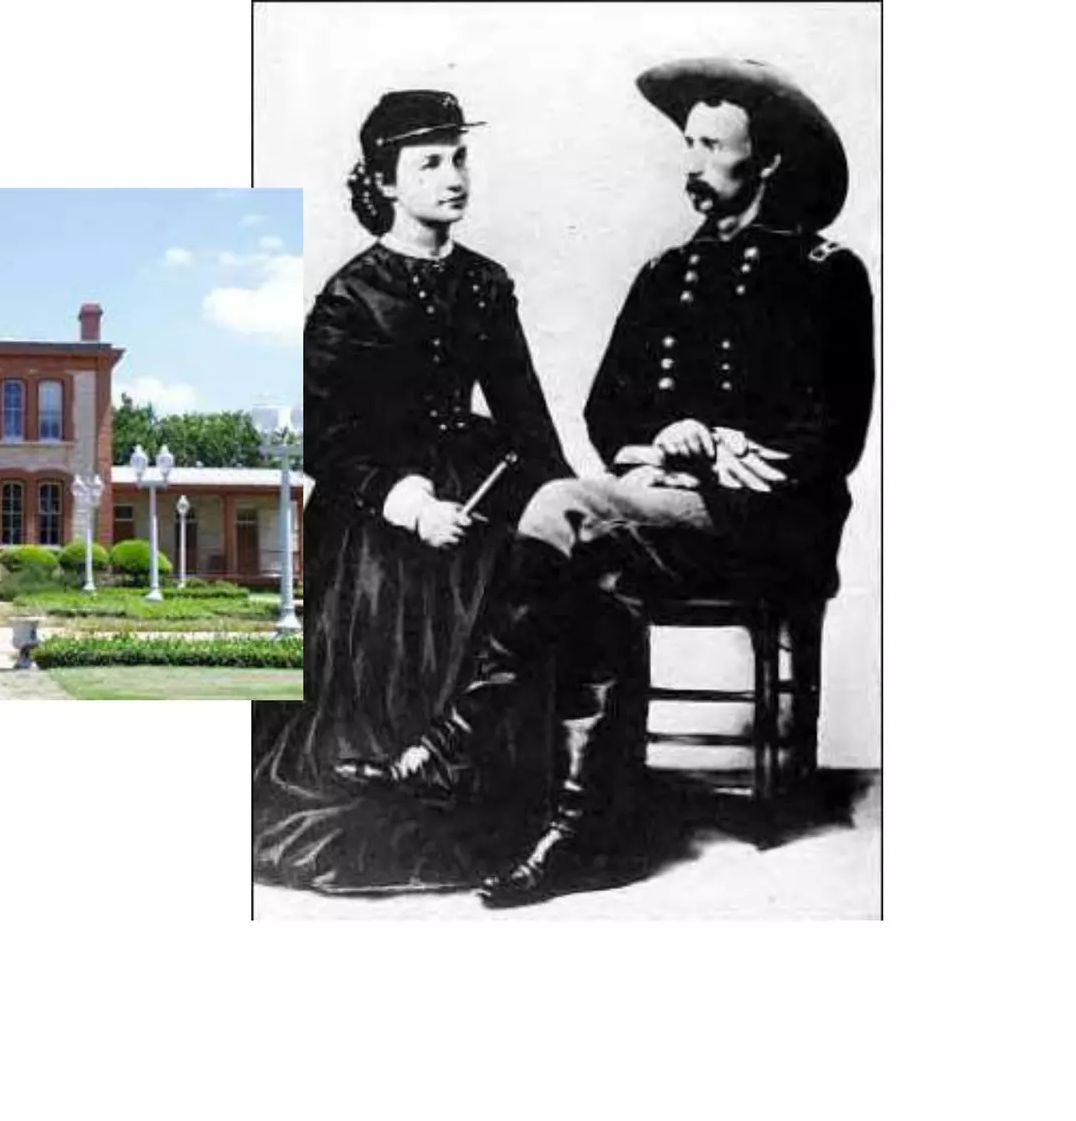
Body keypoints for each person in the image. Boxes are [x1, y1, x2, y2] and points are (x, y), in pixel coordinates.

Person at [351, 58, 874, 908]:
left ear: (767, 158)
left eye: (712, 144)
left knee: (563, 505)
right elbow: (606, 410)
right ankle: (580, 826)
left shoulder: (824, 274)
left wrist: (725, 444)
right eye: (688, 142)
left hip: (772, 529)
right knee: (594, 576)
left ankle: (456, 739)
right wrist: (656, 443)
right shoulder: (666, 274)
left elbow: (834, 435)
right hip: (670, 519)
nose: (693, 160)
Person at [250, 90, 570, 893]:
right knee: (401, 605)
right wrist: (408, 500)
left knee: (523, 581)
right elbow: (329, 439)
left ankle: (513, 799)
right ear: (386, 183)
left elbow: (527, 419)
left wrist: (562, 506)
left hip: (480, 484)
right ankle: (396, 773)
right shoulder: (348, 297)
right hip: (376, 512)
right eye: (430, 162)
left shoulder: (487, 284)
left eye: (459, 157)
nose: (453, 176)